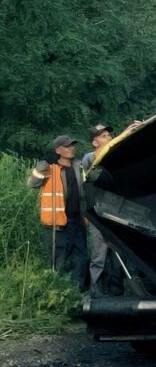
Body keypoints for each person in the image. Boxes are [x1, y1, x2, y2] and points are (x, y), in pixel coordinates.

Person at [27, 134, 88, 289]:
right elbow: (32, 183)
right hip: (57, 225)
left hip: (77, 222)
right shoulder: (50, 167)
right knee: (58, 262)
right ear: (58, 150)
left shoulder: (79, 166)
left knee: (80, 260)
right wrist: (44, 164)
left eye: (72, 145)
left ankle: (78, 295)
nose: (72, 148)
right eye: (68, 146)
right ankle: (57, 294)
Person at [82, 123, 114, 295]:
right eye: (103, 135)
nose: (108, 136)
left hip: (116, 213)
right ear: (94, 142)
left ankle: (116, 289)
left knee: (118, 254)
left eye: (109, 134)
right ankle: (95, 291)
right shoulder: (89, 157)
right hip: (98, 214)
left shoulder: (114, 155)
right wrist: (126, 132)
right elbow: (96, 158)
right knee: (99, 255)